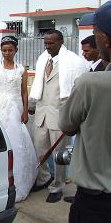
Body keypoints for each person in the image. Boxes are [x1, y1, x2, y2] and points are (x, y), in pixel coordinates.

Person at [58, 0, 111, 223]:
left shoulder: (91, 84)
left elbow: (66, 125)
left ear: (104, 40)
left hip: (100, 206)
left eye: (94, 34)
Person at [29, 29, 88, 203]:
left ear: (61, 42)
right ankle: (44, 178)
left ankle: (58, 186)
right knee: (40, 149)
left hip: (60, 115)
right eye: (45, 42)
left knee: (59, 154)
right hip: (41, 114)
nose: (47, 46)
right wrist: (32, 105)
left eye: (51, 43)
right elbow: (38, 86)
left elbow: (78, 91)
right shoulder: (42, 59)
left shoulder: (73, 62)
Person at [0, 36, 37, 202]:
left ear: (16, 50)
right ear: (1, 51)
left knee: (15, 143)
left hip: (14, 109)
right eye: (4, 50)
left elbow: (24, 92)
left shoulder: (21, 69)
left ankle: (17, 182)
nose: (7, 53)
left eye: (10, 50)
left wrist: (26, 111)